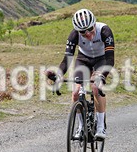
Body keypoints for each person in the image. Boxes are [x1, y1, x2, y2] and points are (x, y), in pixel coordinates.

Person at [46, 8, 114, 139]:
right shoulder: (74, 35)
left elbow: (110, 59)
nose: (87, 34)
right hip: (83, 60)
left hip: (102, 60)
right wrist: (58, 74)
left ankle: (101, 127)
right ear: (78, 31)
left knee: (95, 87)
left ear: (94, 23)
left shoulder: (105, 31)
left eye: (90, 29)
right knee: (76, 92)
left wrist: (102, 76)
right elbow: (67, 59)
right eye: (83, 32)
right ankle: (81, 127)